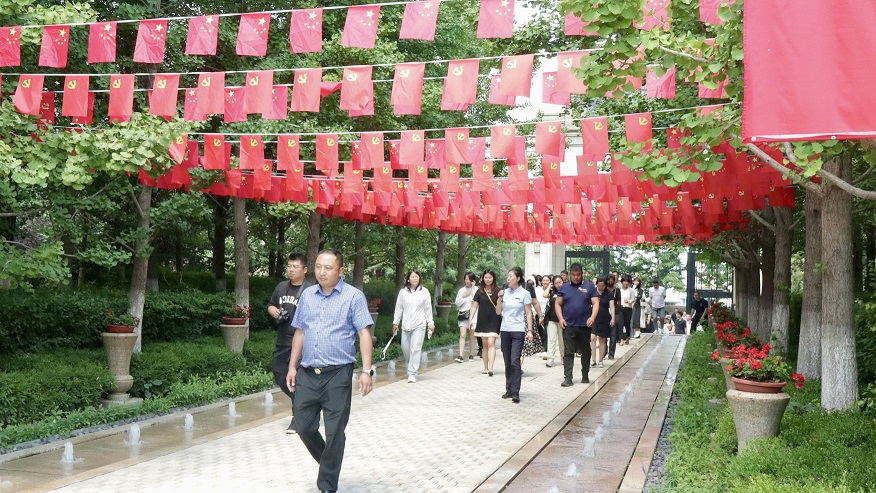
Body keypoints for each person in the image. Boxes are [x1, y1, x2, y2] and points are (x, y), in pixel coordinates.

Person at [286, 249, 374, 493]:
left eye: (328, 268)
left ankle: (327, 485)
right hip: (307, 373)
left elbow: (364, 333)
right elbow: (300, 332)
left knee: (335, 432)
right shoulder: (307, 296)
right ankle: (329, 462)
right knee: (303, 426)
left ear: (340, 270)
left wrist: (367, 371)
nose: (322, 272)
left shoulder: (353, 297)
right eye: (318, 267)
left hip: (338, 374)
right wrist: (292, 366)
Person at [268, 253, 312, 434]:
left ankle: (298, 417)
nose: (291, 269)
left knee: (298, 380)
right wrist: (276, 313)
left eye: (295, 266)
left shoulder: (310, 290)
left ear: (305, 270)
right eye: (289, 266)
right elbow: (270, 305)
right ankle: (308, 404)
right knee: (279, 373)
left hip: (302, 343)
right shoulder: (281, 287)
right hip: (282, 341)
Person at [556, 263, 599, 387]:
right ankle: (568, 378)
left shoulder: (589, 286)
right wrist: (560, 318)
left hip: (585, 325)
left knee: (586, 351)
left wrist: (593, 317)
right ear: (570, 274)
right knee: (568, 352)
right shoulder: (564, 288)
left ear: (582, 274)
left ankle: (585, 374)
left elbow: (595, 303)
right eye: (573, 275)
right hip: (568, 325)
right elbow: (558, 304)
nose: (576, 277)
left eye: (578, 275)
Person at [496, 267, 534, 403]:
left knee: (514, 360)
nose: (508, 279)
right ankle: (508, 390)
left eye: (511, 276)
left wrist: (530, 330)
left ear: (518, 278)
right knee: (507, 360)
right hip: (505, 329)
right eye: (507, 276)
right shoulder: (504, 293)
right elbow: (498, 311)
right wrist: (499, 299)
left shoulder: (525, 293)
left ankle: (516, 392)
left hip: (518, 330)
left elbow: (528, 313)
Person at [392, 270, 435, 383]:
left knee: (415, 348)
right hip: (406, 325)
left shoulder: (424, 292)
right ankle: (410, 363)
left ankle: (412, 373)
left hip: (419, 325)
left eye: (417, 277)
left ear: (419, 279)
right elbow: (399, 307)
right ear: (408, 279)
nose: (415, 279)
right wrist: (396, 322)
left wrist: (430, 324)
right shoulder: (403, 292)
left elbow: (428, 308)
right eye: (413, 277)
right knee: (405, 348)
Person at [470, 269, 501, 376]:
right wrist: (471, 319)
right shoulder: (480, 291)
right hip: (482, 320)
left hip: (494, 320)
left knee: (491, 343)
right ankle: (485, 367)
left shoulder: (498, 291)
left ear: (493, 278)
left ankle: (491, 367)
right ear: (483, 278)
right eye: (486, 277)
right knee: (485, 345)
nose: (488, 280)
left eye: (490, 277)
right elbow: (474, 306)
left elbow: (501, 307)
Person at [454, 272, 478, 363]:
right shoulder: (461, 290)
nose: (467, 281)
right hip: (463, 315)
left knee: (472, 335)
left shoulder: (476, 289)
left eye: (469, 279)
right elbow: (457, 303)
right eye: (466, 279)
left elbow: (474, 301)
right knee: (462, 335)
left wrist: (472, 289)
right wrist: (464, 296)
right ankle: (460, 355)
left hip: (473, 316)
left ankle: (471, 354)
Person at [591, 276, 614, 368]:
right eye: (599, 285)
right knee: (592, 338)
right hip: (594, 318)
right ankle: (593, 359)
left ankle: (600, 360)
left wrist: (613, 318)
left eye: (602, 285)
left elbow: (611, 307)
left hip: (604, 318)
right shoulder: (593, 292)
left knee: (602, 339)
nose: (601, 287)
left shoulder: (609, 293)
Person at [543, 275, 565, 367]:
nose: (558, 285)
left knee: (562, 340)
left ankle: (563, 357)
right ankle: (550, 359)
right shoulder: (552, 292)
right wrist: (549, 286)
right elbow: (544, 295)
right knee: (551, 339)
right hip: (551, 319)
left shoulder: (566, 291)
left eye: (560, 282)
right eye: (556, 283)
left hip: (562, 319)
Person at [619, 276, 635, 346]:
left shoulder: (631, 290)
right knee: (621, 323)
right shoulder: (619, 289)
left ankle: (627, 337)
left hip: (628, 308)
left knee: (627, 323)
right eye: (624, 281)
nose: (626, 283)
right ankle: (621, 339)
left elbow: (633, 299)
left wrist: (628, 301)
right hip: (621, 307)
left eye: (627, 282)